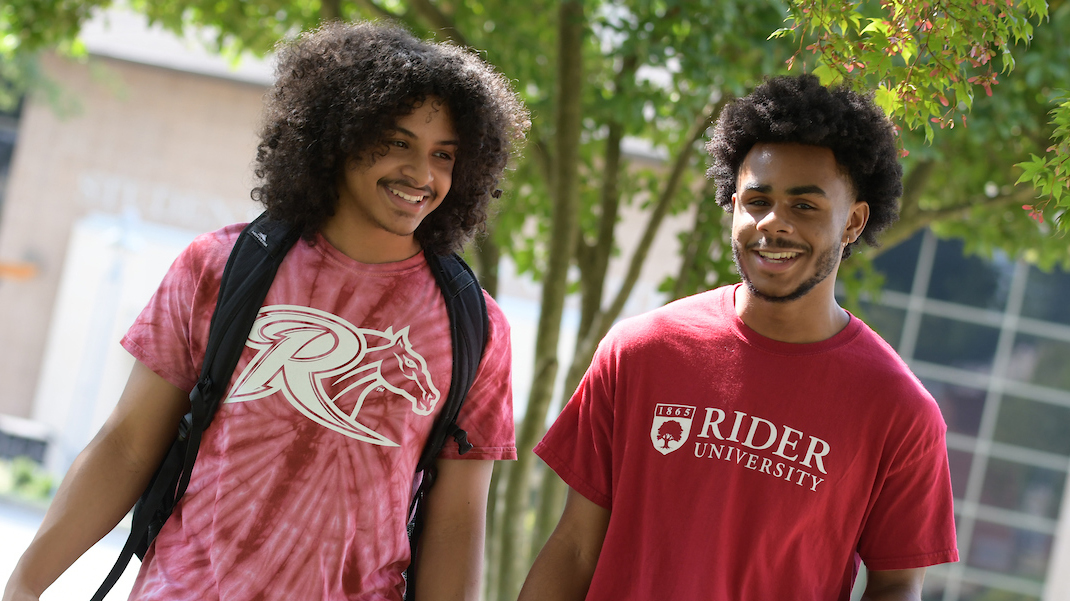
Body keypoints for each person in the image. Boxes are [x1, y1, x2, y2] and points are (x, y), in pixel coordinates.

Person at [4, 21, 528, 601]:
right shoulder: (220, 268)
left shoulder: (474, 328)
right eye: (398, 142)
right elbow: (127, 444)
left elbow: (458, 520)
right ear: (340, 134)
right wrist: (26, 583)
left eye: (444, 155)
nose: (422, 174)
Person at [519, 74, 958, 601]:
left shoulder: (899, 411)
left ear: (854, 223)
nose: (773, 224)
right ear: (732, 205)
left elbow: (897, 585)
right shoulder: (640, 351)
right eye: (757, 200)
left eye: (805, 206)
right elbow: (574, 549)